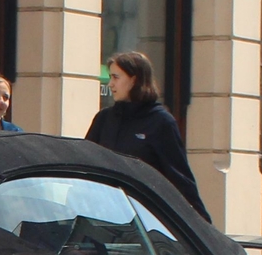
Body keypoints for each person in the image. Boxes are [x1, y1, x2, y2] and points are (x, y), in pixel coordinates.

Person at [84, 50, 209, 220]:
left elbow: (179, 178)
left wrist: (202, 224)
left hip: (144, 220)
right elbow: (85, 164)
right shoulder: (104, 119)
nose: (111, 84)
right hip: (102, 215)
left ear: (134, 79)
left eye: (116, 77)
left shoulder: (161, 122)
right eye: (110, 77)